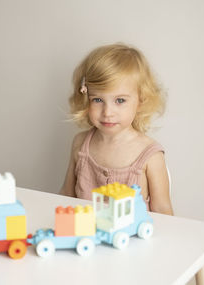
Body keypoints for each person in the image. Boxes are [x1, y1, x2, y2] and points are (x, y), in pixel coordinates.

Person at [60, 43, 173, 216]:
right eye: (97, 100)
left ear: (140, 101)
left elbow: (163, 212)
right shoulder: (80, 144)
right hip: (85, 237)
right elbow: (66, 196)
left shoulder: (151, 155)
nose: (107, 112)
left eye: (120, 101)